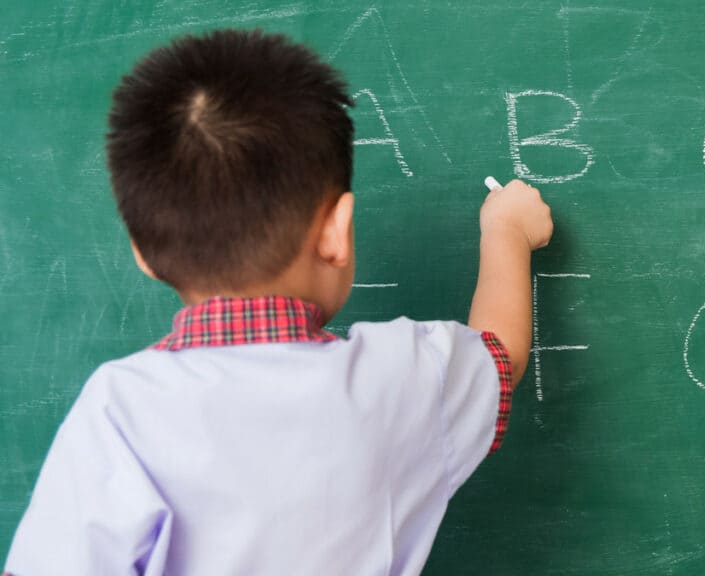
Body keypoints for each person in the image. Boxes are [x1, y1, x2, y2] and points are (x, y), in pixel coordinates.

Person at [4, 29, 552, 575]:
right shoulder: (398, 376)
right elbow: (500, 355)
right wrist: (506, 231)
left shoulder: (119, 409)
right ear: (336, 231)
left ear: (144, 255)